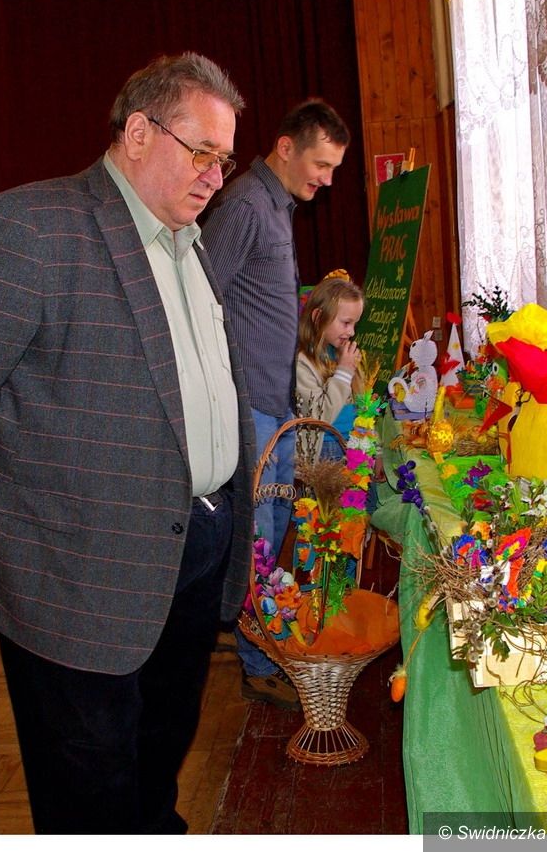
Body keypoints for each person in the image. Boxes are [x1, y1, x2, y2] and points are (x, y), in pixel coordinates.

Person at [0, 52, 256, 835]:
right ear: (139, 133)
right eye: (201, 152)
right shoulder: (31, 229)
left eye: (224, 159)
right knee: (90, 803)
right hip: (79, 589)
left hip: (191, 558)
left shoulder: (188, 242)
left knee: (157, 764)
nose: (215, 176)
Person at [202, 99, 350, 709]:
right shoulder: (244, 205)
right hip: (251, 409)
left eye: (334, 168)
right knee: (259, 538)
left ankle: (250, 635)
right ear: (286, 148)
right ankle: (260, 661)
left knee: (275, 526)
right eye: (321, 165)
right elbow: (201, 294)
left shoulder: (278, 206)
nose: (328, 180)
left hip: (275, 404)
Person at [296, 275, 366, 459]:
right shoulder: (302, 363)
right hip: (325, 452)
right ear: (319, 317)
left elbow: (363, 406)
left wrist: (376, 449)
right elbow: (318, 417)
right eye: (346, 323)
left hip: (353, 446)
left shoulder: (342, 354)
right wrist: (344, 373)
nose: (351, 332)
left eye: (355, 324)